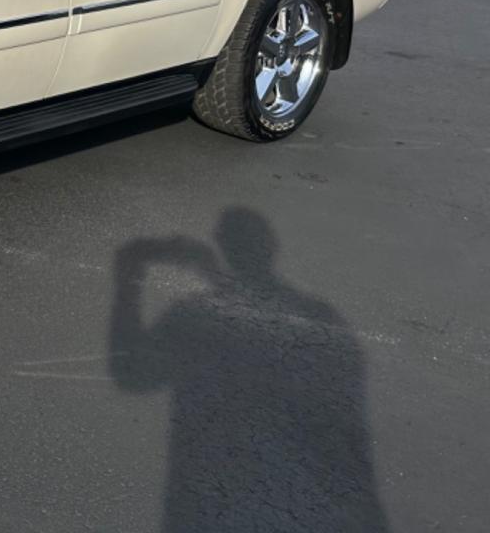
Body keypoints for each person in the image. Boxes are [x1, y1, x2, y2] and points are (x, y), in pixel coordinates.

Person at [109, 207, 389, 531]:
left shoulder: (193, 315)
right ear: (271, 248)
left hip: (210, 499)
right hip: (304, 502)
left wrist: (127, 281)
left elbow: (132, 375)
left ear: (222, 245)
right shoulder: (321, 317)